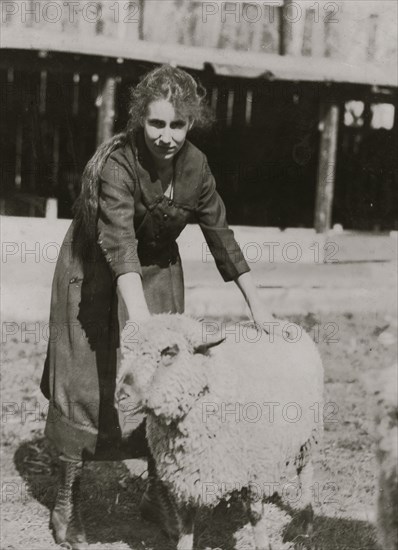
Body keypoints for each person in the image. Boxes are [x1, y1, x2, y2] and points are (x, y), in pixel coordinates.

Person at [40, 64, 272, 549]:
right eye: (156, 124)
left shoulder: (196, 167)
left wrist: (257, 305)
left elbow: (220, 234)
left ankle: (158, 490)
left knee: (165, 379)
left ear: (191, 124)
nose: (166, 137)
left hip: (159, 270)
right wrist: (139, 322)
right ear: (138, 121)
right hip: (97, 272)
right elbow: (119, 242)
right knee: (87, 379)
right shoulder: (118, 166)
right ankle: (67, 498)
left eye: (177, 125)